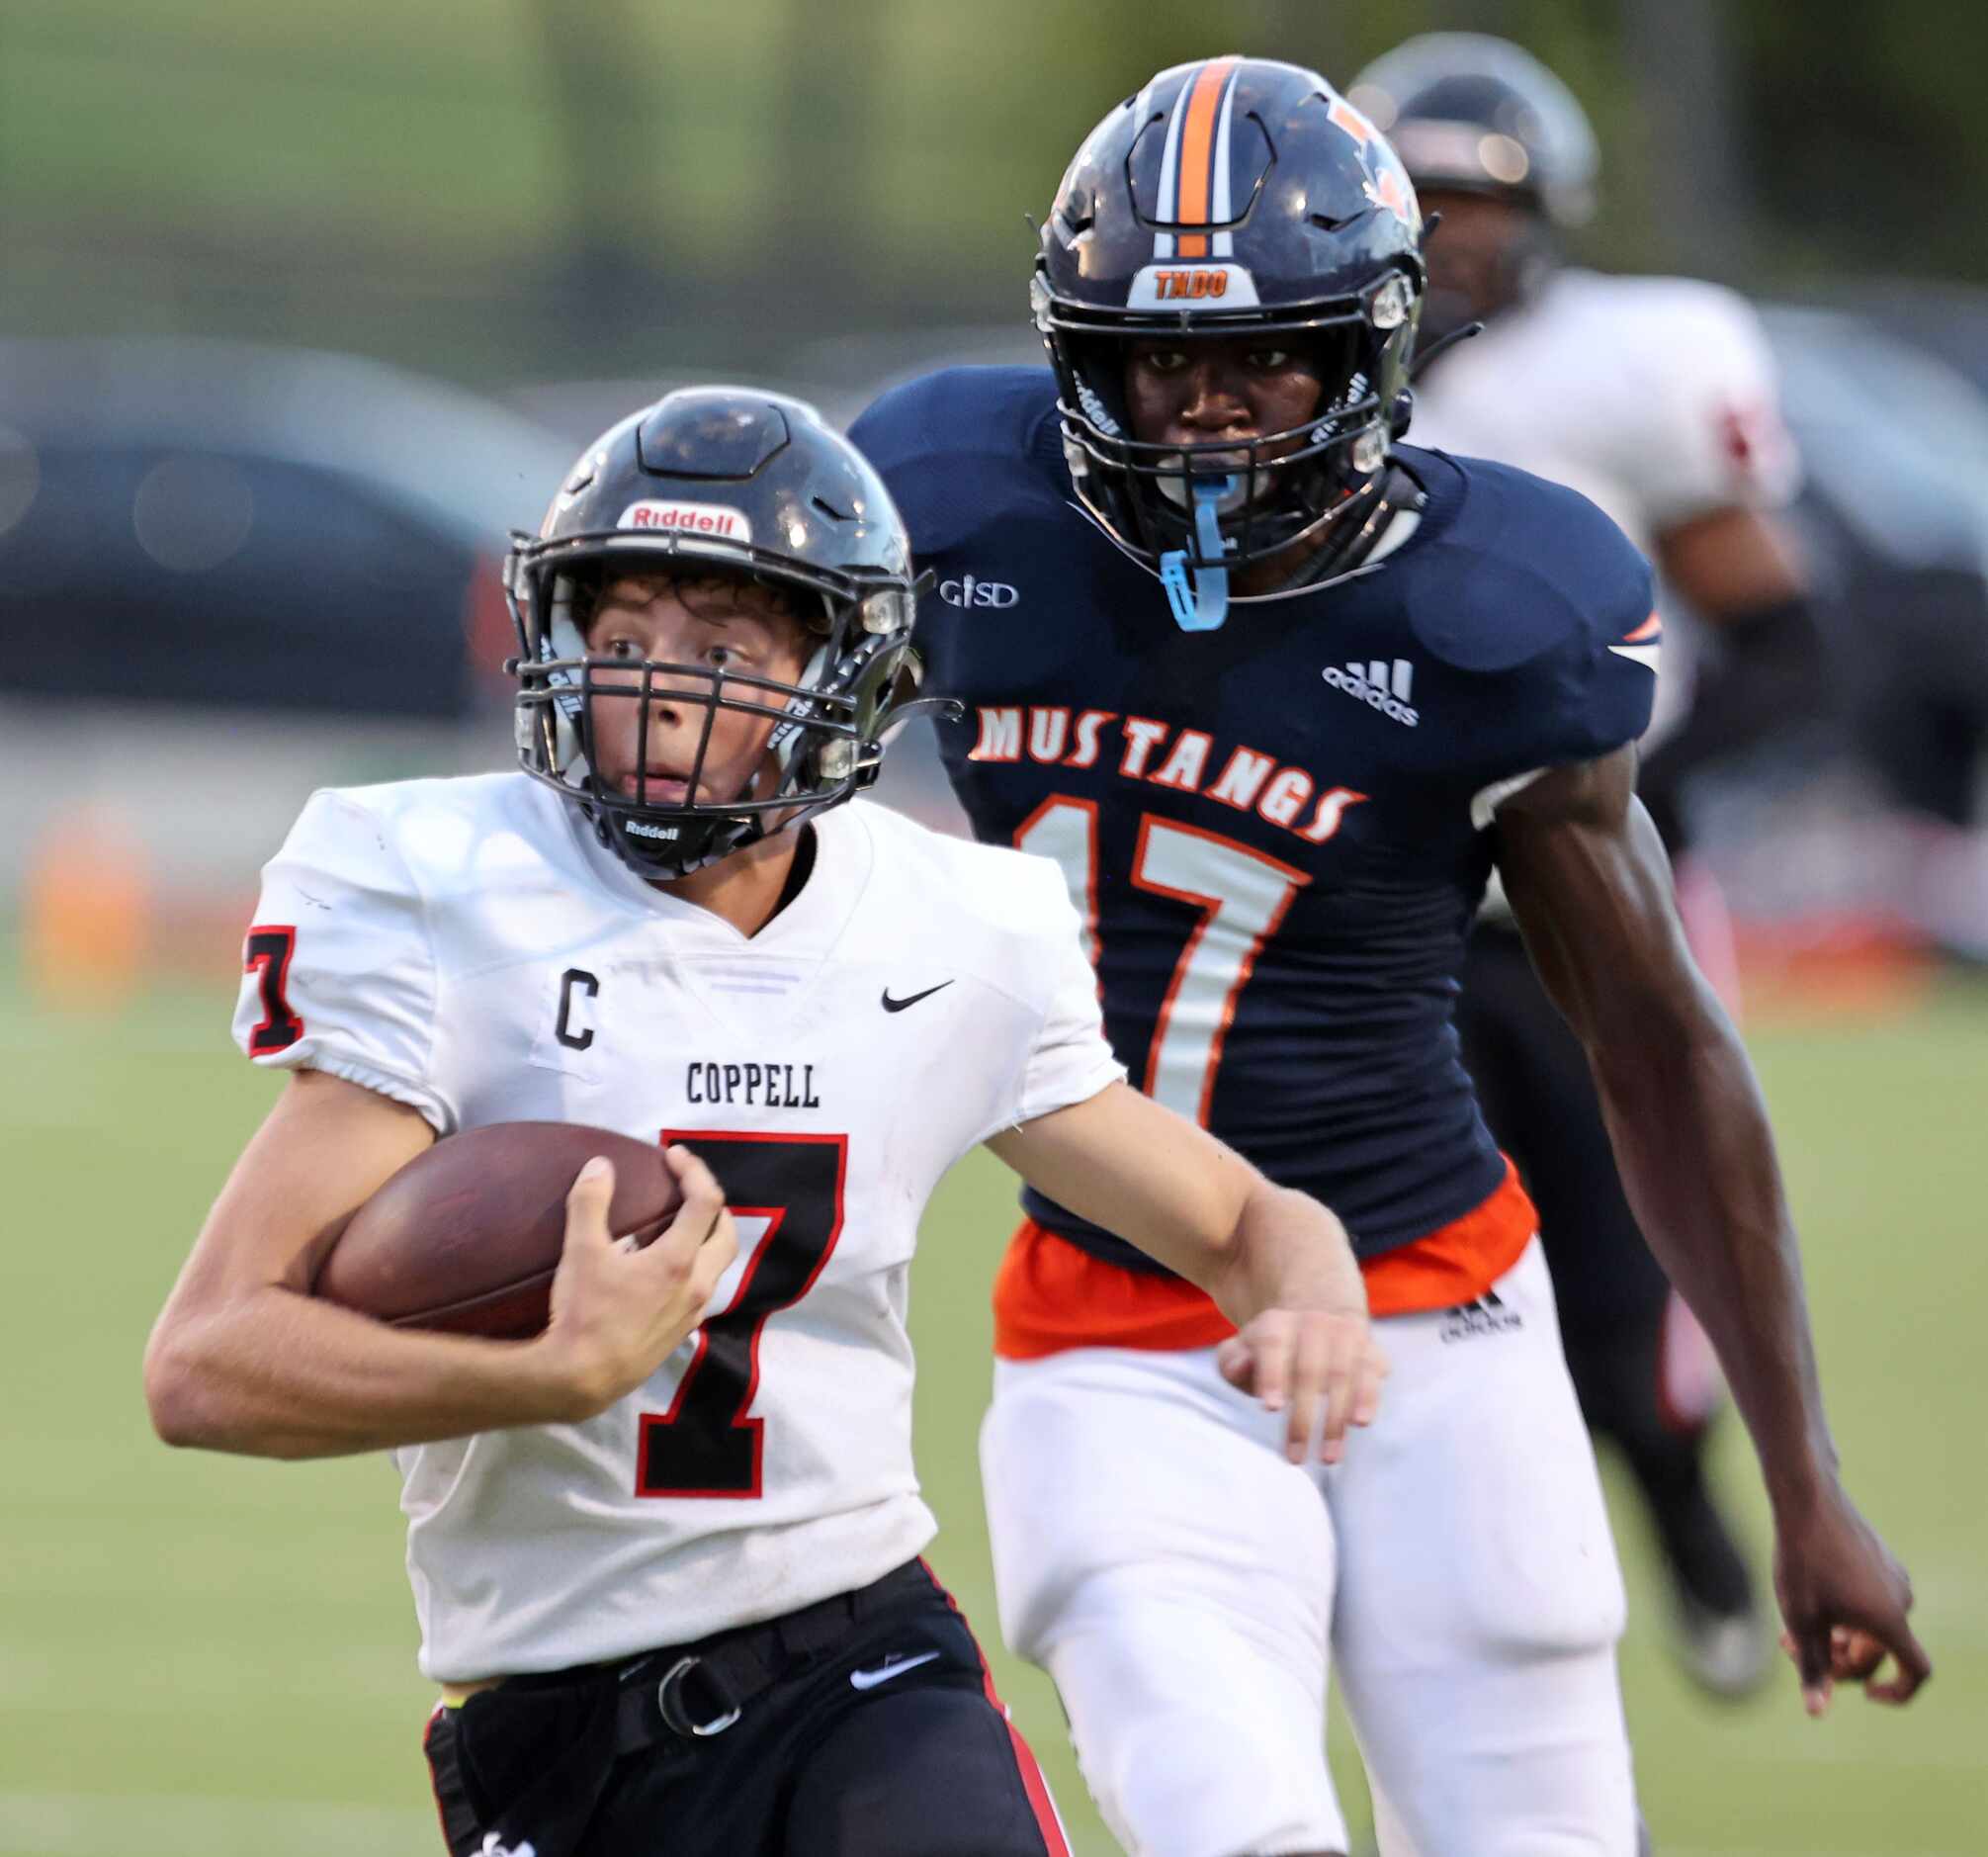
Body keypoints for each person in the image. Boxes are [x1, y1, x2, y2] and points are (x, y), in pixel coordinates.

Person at [850, 54, 1928, 1857]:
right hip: (1119, 1332)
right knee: (1231, 1826)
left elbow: (1657, 1045)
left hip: (1451, 1320)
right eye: (1156, 358)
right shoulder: (955, 507)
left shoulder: (1492, 600)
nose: (1203, 415)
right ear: (1071, 345)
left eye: (1265, 353)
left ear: (1379, 348)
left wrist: (1801, 1481)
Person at [142, 388, 1386, 1857]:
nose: (660, 691)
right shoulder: (439, 891)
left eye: (722, 651)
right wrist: (549, 1375)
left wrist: (1312, 1290)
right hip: (556, 1718)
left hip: (860, 1665)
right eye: (622, 644)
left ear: (844, 674)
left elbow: (1242, 1218)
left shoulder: (949, 924)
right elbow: (206, 1362)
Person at [1343, 30, 1829, 1698]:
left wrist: (1618, 791)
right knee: (1392, 1266)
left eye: (1487, 200)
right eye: (1420, 197)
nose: (1454, 233)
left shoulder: (1633, 361)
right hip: (1381, 895)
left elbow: (1779, 636)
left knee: (1632, 1278)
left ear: (1553, 210)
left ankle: (1690, 1517)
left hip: (1580, 883)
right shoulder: (1302, 365)